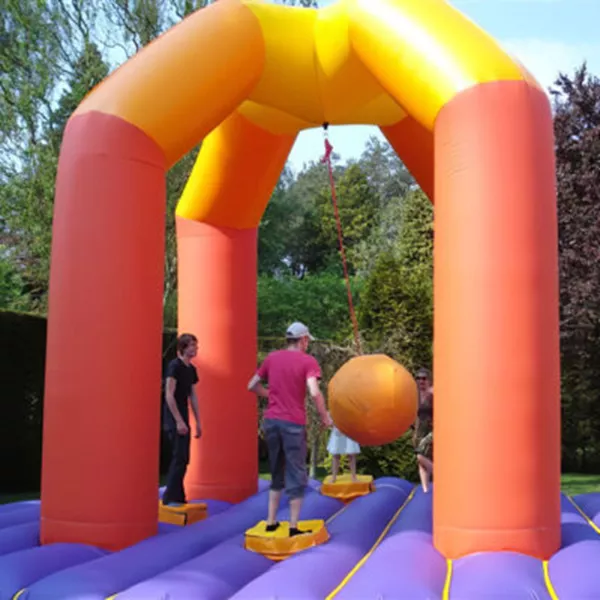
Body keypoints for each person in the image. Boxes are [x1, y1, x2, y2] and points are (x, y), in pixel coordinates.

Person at [248, 322, 332, 537]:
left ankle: (271, 521)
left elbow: (252, 385)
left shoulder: (272, 358)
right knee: (296, 472)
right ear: (303, 340)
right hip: (293, 423)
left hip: (271, 421)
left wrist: (271, 395)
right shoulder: (307, 361)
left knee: (276, 470)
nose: (307, 344)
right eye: (307, 340)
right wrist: (324, 416)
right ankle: (293, 526)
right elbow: (314, 391)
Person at [162, 333, 202, 506]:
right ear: (183, 347)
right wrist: (178, 420)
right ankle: (169, 497)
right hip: (173, 416)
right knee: (179, 457)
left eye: (195, 345)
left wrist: (198, 422)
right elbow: (169, 395)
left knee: (184, 458)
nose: (195, 348)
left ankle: (178, 496)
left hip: (184, 416)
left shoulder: (191, 369)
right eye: (192, 345)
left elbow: (193, 396)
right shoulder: (174, 366)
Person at [413, 367, 433, 493]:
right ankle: (425, 490)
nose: (421, 381)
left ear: (429, 380)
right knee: (420, 461)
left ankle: (440, 474)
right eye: (418, 378)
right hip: (420, 429)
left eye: (424, 378)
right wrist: (414, 432)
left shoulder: (432, 393)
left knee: (420, 456)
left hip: (432, 428)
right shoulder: (415, 395)